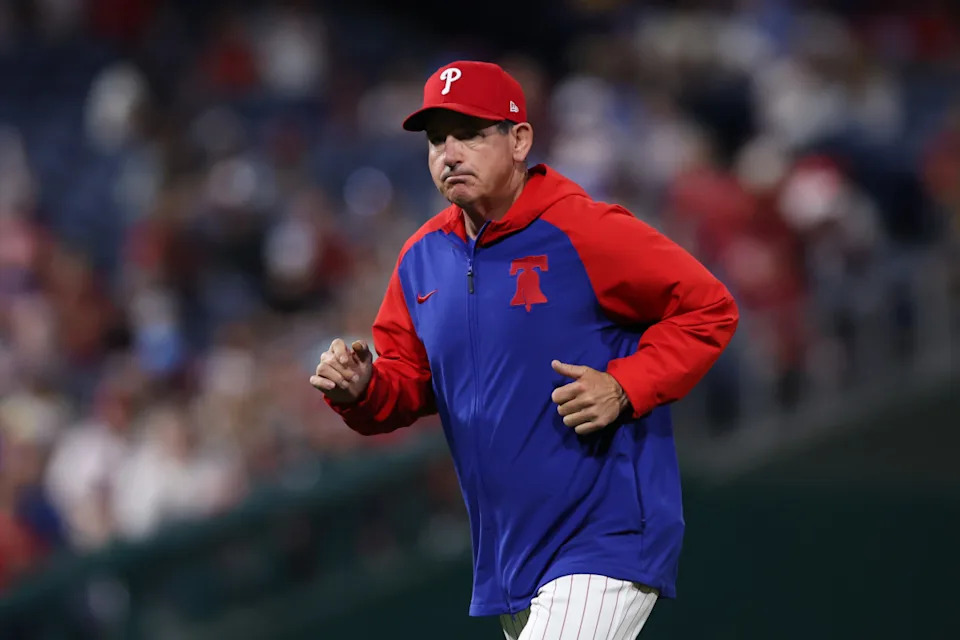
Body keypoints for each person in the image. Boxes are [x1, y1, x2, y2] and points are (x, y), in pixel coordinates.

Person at [310, 60, 739, 639]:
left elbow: (709, 308)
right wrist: (363, 391)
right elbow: (409, 383)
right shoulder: (421, 258)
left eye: (469, 133)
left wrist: (625, 385)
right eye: (437, 138)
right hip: (510, 551)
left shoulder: (584, 228)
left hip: (603, 533)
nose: (449, 152)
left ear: (519, 140)